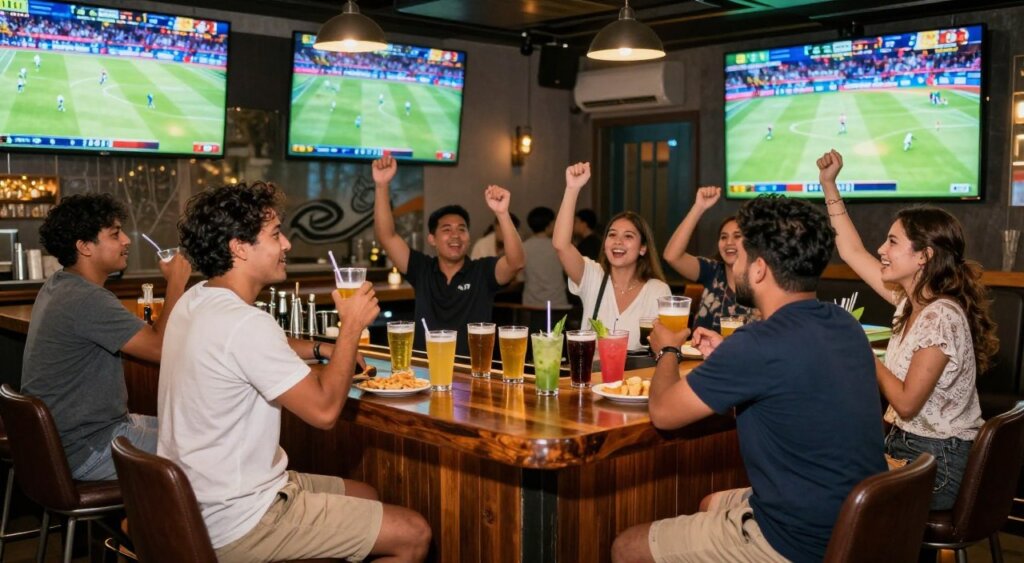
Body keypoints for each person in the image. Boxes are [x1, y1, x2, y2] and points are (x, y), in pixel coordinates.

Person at [162, 182, 430, 562]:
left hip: (193, 504)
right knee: (413, 532)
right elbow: (323, 413)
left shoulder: (196, 300)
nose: (287, 244)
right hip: (238, 519)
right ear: (238, 247)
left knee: (367, 495)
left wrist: (322, 349)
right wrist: (351, 327)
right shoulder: (245, 324)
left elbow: (255, 347)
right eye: (275, 235)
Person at [612, 195, 885, 563]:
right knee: (710, 502)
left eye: (739, 254)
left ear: (758, 270)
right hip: (861, 522)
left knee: (626, 547)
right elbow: (786, 380)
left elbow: (662, 412)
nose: (733, 263)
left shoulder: (757, 344)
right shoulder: (846, 325)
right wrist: (727, 355)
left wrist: (667, 351)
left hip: (798, 541)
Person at [817, 149, 997, 510]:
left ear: (924, 256)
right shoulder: (911, 301)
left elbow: (906, 402)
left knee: (823, 487)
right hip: (912, 450)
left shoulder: (940, 315)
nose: (881, 249)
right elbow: (852, 251)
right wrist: (828, 184)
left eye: (892, 242)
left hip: (937, 466)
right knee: (820, 474)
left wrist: (863, 351)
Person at [21, 193, 191, 480]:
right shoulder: (86, 298)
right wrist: (176, 281)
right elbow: (160, 348)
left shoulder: (59, 285)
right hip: (88, 448)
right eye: (115, 234)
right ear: (85, 247)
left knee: (193, 429)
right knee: (209, 447)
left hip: (64, 442)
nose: (126, 240)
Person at [373, 155, 524, 354]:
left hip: (470, 373)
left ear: (469, 237)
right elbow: (387, 236)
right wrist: (382, 185)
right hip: (424, 371)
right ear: (432, 239)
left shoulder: (482, 272)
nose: (455, 235)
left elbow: (516, 262)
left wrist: (502, 213)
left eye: (462, 229)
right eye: (446, 229)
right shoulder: (422, 269)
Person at [552, 162, 670, 350]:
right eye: (612, 234)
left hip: (636, 378)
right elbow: (561, 245)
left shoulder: (657, 291)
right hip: (592, 377)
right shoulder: (593, 276)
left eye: (628, 236)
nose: (617, 241)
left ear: (643, 248)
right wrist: (572, 188)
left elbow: (664, 349)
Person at [662, 186, 759, 332]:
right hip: (700, 354)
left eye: (737, 236)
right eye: (723, 237)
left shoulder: (763, 279)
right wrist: (699, 207)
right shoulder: (713, 271)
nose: (729, 242)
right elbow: (672, 256)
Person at [522, 206, 569, 310]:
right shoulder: (559, 246)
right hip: (557, 302)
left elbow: (519, 276)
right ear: (549, 224)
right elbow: (569, 271)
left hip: (531, 304)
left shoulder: (523, 247)